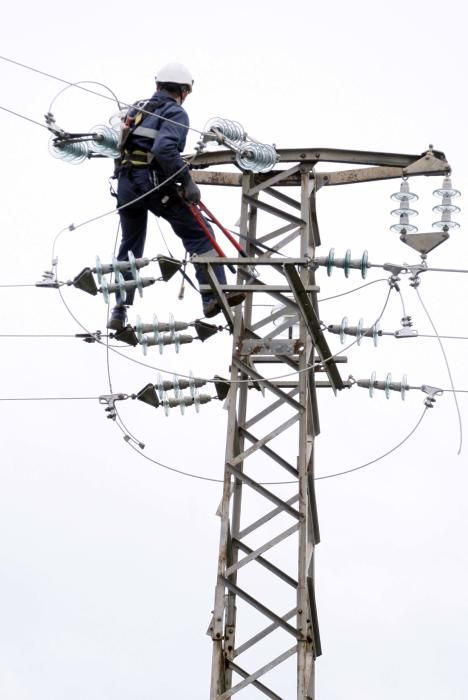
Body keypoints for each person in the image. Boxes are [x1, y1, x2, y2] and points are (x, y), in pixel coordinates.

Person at [108, 62, 245, 331]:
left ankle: (120, 307)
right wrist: (187, 181)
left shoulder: (137, 109)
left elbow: (120, 143)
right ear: (184, 91)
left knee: (131, 246)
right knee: (199, 232)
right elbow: (164, 149)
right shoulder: (174, 112)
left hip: (125, 184)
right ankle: (214, 295)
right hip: (150, 182)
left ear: (157, 85)